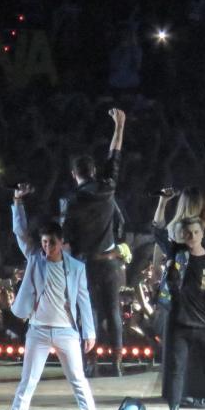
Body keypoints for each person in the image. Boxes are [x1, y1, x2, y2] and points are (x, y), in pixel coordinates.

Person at [4, 183, 100, 410]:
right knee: (27, 384)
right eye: (44, 242)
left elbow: (84, 299)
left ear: (61, 243)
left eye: (51, 243)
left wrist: (89, 331)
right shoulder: (35, 259)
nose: (47, 247)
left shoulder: (76, 268)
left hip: (66, 331)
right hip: (38, 331)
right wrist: (18, 202)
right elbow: (20, 232)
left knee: (78, 381)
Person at [153, 191, 205, 410]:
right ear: (183, 236)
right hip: (179, 322)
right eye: (188, 233)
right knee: (176, 369)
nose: (192, 236)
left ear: (202, 234)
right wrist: (163, 202)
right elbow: (157, 230)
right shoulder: (176, 253)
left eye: (196, 232)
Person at [61, 108, 126, 376]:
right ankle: (118, 364)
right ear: (93, 171)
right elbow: (115, 157)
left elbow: (67, 237)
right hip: (110, 261)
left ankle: (91, 363)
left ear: (74, 174)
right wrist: (119, 126)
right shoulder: (108, 187)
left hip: (85, 263)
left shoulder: (73, 201)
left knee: (90, 313)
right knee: (113, 313)